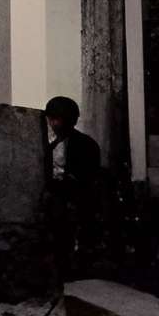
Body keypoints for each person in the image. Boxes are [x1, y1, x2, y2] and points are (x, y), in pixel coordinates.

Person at [44, 95, 102, 272]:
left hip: (71, 196)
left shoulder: (86, 145)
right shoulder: (40, 141)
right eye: (54, 120)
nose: (57, 125)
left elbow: (88, 178)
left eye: (66, 121)